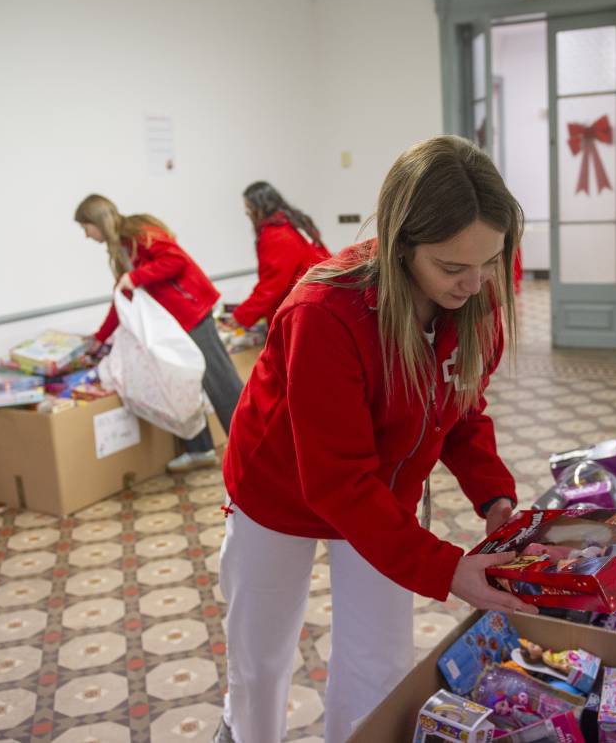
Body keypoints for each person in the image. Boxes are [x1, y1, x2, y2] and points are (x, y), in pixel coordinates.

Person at [216, 136, 537, 743]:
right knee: (261, 657)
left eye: (489, 261)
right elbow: (337, 481)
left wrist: (495, 498)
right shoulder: (324, 313)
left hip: (384, 492)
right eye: (451, 266)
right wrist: (448, 570)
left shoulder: (474, 300)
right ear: (401, 244)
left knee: (380, 663)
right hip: (279, 490)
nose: (475, 284)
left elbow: (461, 410)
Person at [75, 195, 243, 474]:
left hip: (192, 314)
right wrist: (100, 337)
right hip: (170, 325)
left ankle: (247, 447)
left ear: (97, 221)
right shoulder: (120, 249)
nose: (86, 235)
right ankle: (199, 449)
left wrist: (137, 277)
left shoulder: (139, 232)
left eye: (85, 227)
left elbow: (175, 260)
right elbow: (123, 297)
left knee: (220, 382)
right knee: (180, 387)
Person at [225, 181, 331, 329]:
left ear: (260, 206)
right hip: (321, 302)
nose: (246, 211)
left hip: (303, 311)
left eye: (248, 206)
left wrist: (241, 316)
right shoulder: (293, 223)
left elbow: (271, 285)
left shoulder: (277, 234)